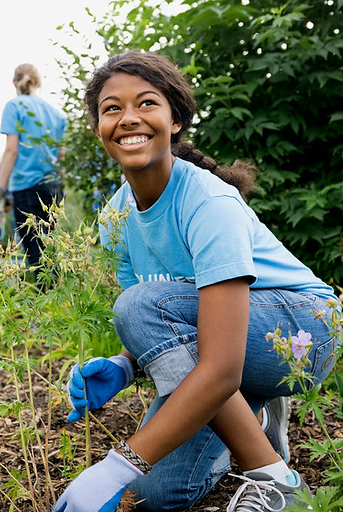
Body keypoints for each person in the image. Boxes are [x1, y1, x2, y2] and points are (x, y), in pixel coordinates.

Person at [54, 51, 338, 512]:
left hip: (304, 331)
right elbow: (176, 329)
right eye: (112, 108)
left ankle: (275, 481)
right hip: (227, 341)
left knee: (140, 307)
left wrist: (115, 465)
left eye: (146, 103)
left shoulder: (208, 203)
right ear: (98, 128)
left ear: (177, 119)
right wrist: (126, 365)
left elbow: (210, 357)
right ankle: (254, 415)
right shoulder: (116, 218)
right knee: (158, 491)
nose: (128, 118)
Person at [0, 63, 67, 280]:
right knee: (52, 252)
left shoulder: (14, 106)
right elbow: (61, 159)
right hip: (53, 188)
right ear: (38, 82)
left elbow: (11, 151)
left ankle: (46, 309)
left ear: (15, 83)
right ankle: (58, 304)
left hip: (26, 189)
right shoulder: (58, 115)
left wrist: (0, 191)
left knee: (36, 257)